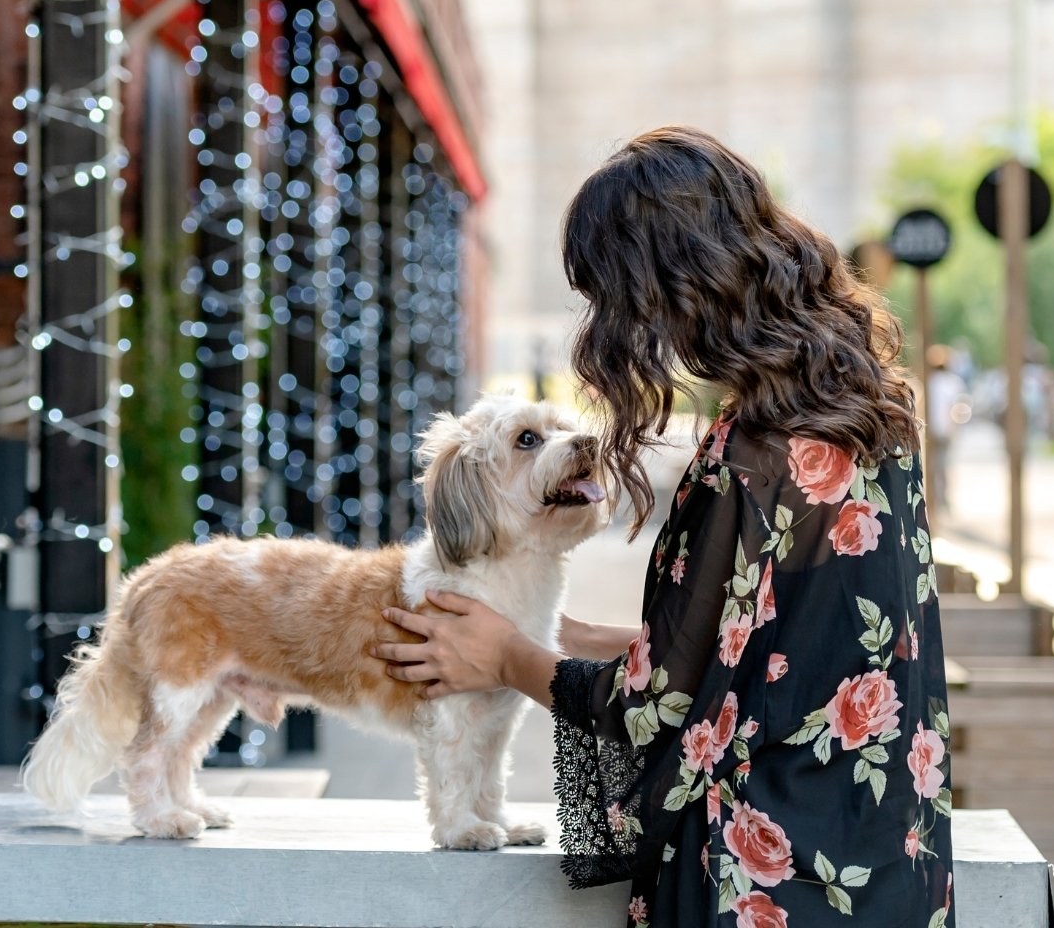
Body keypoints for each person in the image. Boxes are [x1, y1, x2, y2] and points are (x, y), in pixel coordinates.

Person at [373, 127, 954, 926]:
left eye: (616, 297)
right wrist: (567, 634)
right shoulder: (871, 416)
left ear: (672, 285)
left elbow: (656, 707)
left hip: (761, 885)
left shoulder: (750, 452)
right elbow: (763, 654)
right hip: (887, 869)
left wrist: (507, 657)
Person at [925, 344, 967, 511]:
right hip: (945, 429)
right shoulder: (953, 382)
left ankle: (935, 496)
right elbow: (957, 409)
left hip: (931, 429)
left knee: (933, 464)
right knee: (944, 464)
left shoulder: (928, 382)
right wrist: (954, 427)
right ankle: (943, 496)